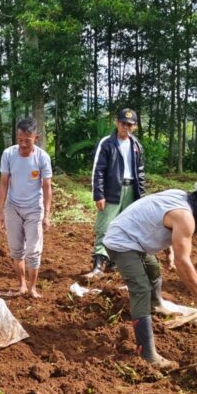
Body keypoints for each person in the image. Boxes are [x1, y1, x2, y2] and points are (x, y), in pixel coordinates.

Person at [104, 183, 197, 370]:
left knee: (153, 270)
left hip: (133, 237)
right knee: (141, 288)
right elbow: (183, 262)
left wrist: (169, 249)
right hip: (122, 241)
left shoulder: (181, 196)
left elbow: (156, 218)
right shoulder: (185, 217)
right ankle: (147, 354)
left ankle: (156, 306)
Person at [0, 118, 53, 298]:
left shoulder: (42, 157)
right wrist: (0, 212)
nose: (23, 144)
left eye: (27, 140)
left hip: (34, 209)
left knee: (33, 251)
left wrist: (47, 214)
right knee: (16, 249)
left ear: (36, 138)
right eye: (19, 139)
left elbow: (47, 186)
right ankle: (22, 285)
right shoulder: (8, 154)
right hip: (13, 207)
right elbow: (3, 183)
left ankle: (33, 287)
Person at [86, 107, 146, 278]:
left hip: (131, 190)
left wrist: (141, 196)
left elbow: (140, 172)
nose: (126, 127)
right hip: (112, 190)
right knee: (104, 227)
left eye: (130, 124)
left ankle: (115, 262)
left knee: (125, 227)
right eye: (123, 123)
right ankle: (99, 263)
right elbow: (98, 170)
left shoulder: (136, 145)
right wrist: (99, 194)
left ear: (134, 126)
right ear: (117, 123)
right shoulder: (107, 143)